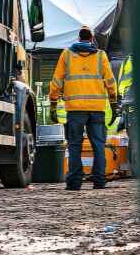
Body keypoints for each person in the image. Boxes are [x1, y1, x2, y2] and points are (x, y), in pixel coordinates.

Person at [49, 25, 117, 191]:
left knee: (74, 145)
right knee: (99, 145)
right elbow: (110, 82)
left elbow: (56, 81)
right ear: (92, 39)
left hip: (75, 109)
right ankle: (99, 180)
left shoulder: (67, 55)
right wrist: (114, 104)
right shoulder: (101, 56)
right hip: (97, 109)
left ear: (78, 38)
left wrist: (53, 103)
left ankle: (74, 182)